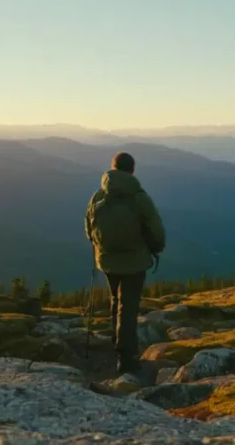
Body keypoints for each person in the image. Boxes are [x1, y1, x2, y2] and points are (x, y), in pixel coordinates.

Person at [84, 152, 166, 374]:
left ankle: (116, 344)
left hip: (107, 260)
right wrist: (155, 249)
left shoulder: (98, 196)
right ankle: (126, 358)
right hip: (134, 261)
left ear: (112, 168)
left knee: (115, 301)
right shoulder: (139, 198)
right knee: (128, 307)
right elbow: (156, 231)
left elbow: (89, 229)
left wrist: (100, 248)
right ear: (132, 171)